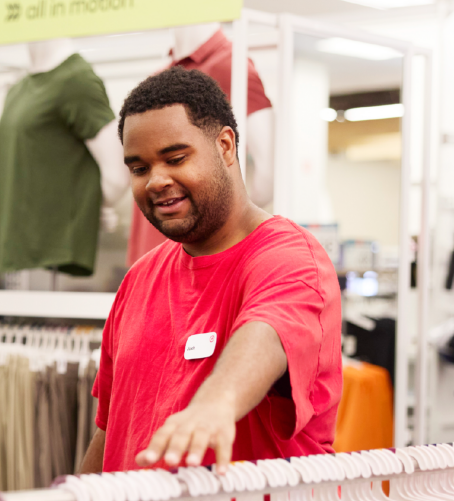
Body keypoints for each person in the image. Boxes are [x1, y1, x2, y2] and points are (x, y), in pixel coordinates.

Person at [80, 67, 343, 475]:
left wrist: (215, 404)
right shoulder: (139, 279)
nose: (156, 180)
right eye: (139, 168)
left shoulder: (290, 258)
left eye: (175, 158)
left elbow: (268, 332)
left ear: (224, 146)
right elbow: (112, 427)